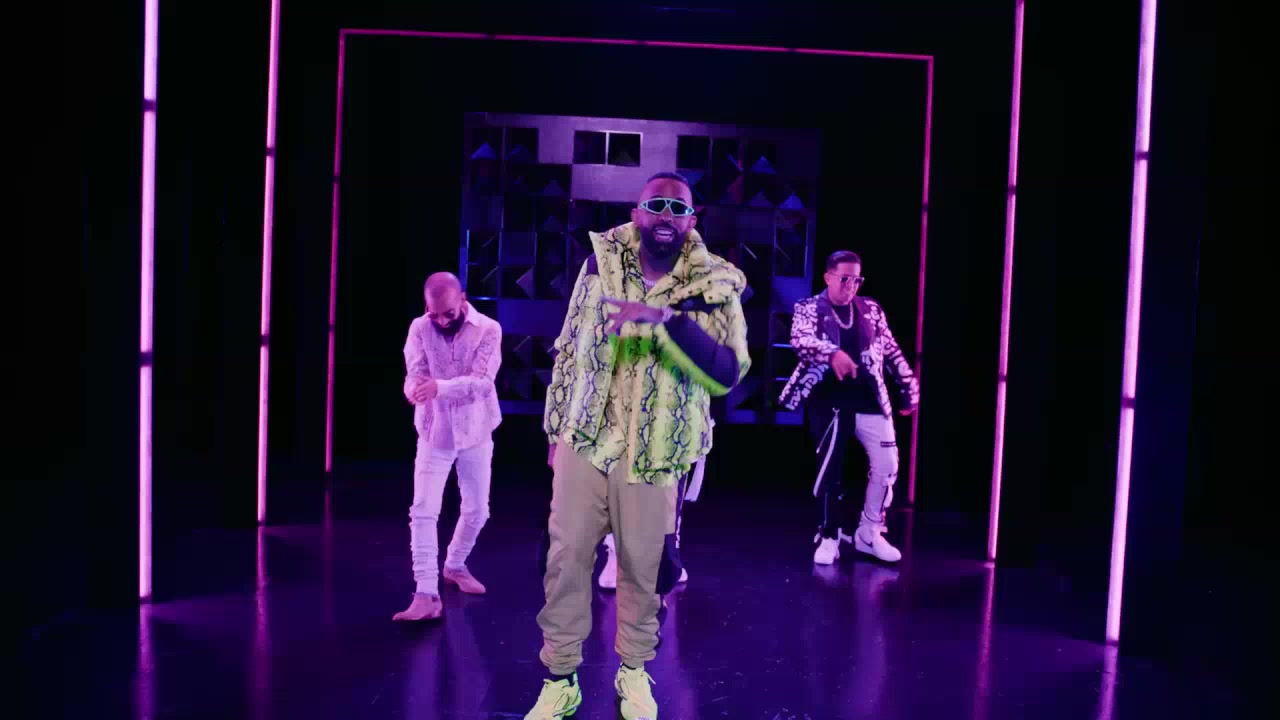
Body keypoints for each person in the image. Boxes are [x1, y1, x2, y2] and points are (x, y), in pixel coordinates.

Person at [525, 173, 750, 720]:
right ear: (637, 212)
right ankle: (560, 678)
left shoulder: (713, 284)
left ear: (692, 220)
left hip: (656, 449)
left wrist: (666, 321)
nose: (666, 215)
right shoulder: (596, 265)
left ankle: (633, 672)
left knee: (643, 569)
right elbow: (568, 348)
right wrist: (555, 430)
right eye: (657, 204)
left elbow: (729, 371)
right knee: (565, 561)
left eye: (678, 207)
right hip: (586, 437)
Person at [779, 251, 919, 565]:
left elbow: (891, 348)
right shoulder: (808, 308)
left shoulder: (871, 309)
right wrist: (832, 354)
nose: (851, 285)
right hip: (829, 400)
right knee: (831, 470)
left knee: (888, 465)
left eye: (857, 279)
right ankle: (829, 534)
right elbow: (800, 340)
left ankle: (870, 531)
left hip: (870, 398)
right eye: (845, 278)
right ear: (828, 277)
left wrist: (908, 387)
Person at [392, 272, 502, 622]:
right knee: (423, 510)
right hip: (434, 431)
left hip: (476, 430)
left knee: (478, 511)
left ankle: (454, 564)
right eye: (434, 313)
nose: (441, 321)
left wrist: (439, 387)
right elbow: (414, 371)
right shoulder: (419, 328)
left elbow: (482, 383)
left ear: (463, 299)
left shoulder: (489, 329)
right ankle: (426, 593)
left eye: (448, 314)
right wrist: (413, 390)